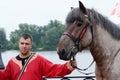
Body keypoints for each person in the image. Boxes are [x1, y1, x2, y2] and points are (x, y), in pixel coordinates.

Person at [0, 33, 76, 80]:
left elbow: (54, 69)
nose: (24, 46)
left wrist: (68, 66)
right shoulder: (12, 62)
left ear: (31, 45)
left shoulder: (38, 60)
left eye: (27, 44)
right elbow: (4, 77)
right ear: (18, 44)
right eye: (22, 43)